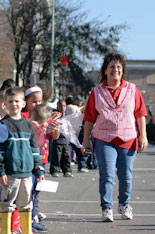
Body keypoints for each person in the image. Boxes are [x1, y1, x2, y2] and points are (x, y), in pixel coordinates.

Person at [81, 52, 148, 222]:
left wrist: (143, 136)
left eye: (118, 67)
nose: (115, 70)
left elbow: (140, 114)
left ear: (123, 70)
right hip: (104, 139)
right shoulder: (96, 92)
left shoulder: (132, 90)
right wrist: (86, 139)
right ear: (105, 70)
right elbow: (89, 117)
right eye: (111, 66)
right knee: (107, 174)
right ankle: (107, 207)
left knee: (126, 175)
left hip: (128, 138)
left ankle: (125, 204)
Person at [0, 87, 45, 234]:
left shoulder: (28, 125)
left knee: (26, 205)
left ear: (23, 103)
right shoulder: (3, 125)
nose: (14, 104)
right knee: (7, 205)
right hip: (10, 174)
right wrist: (1, 171)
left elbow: (34, 149)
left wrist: (38, 169)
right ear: (4, 104)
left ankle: (27, 231)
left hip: (26, 173)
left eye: (17, 101)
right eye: (10, 101)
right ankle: (5, 231)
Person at [30, 104, 60, 232]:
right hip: (35, 164)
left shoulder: (39, 128)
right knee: (32, 193)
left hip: (40, 162)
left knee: (35, 192)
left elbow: (55, 136)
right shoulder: (35, 128)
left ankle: (32, 217)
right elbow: (36, 146)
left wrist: (52, 127)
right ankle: (31, 219)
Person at [50, 100, 73, 177]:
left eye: (64, 106)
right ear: (57, 107)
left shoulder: (68, 117)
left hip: (66, 140)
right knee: (56, 156)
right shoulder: (55, 116)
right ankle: (55, 171)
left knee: (67, 156)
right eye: (61, 106)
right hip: (57, 140)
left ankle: (67, 171)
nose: (62, 108)